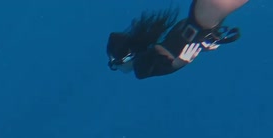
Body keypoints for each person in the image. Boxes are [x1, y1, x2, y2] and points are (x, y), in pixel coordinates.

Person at [106, 0, 248, 79]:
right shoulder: (159, 45)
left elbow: (168, 65)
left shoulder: (142, 67)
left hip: (205, 18)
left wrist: (180, 63)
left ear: (125, 58)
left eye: (115, 65)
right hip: (202, 15)